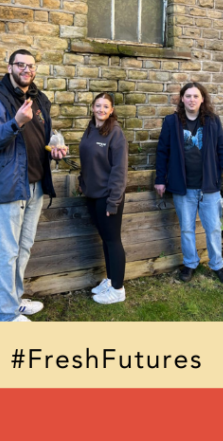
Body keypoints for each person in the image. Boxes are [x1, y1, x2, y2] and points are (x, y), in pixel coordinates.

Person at [0, 49, 67, 321]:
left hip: (36, 185)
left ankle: (16, 300)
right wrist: (16, 122)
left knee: (24, 247)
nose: (26, 70)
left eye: (30, 66)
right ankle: (6, 314)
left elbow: (43, 134)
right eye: (20, 65)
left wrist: (54, 147)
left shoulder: (39, 98)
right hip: (8, 187)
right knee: (7, 252)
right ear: (10, 68)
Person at [154, 82, 223, 284]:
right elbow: (162, 151)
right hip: (183, 187)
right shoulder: (171, 122)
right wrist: (160, 179)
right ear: (182, 99)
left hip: (209, 186)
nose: (192, 99)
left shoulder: (212, 121)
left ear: (202, 99)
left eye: (196, 96)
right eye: (188, 96)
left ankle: (217, 264)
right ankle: (190, 263)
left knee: (214, 228)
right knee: (186, 229)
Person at [78, 92, 129, 305]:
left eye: (105, 106)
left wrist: (113, 201)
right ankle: (110, 279)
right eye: (98, 105)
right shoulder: (90, 130)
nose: (101, 109)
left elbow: (119, 170)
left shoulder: (115, 134)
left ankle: (118, 290)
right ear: (92, 108)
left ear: (111, 110)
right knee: (106, 241)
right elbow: (87, 160)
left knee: (113, 240)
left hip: (108, 197)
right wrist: (83, 183)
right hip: (92, 195)